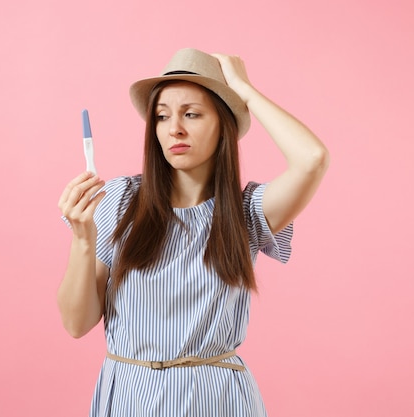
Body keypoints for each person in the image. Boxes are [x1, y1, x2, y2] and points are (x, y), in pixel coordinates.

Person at [57, 48, 329, 416]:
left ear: (224, 124)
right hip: (130, 397)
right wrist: (83, 238)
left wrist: (244, 92)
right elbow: (77, 323)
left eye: (192, 114)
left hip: (215, 401)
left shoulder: (246, 211)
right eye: (162, 116)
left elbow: (311, 159)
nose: (175, 129)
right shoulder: (121, 202)